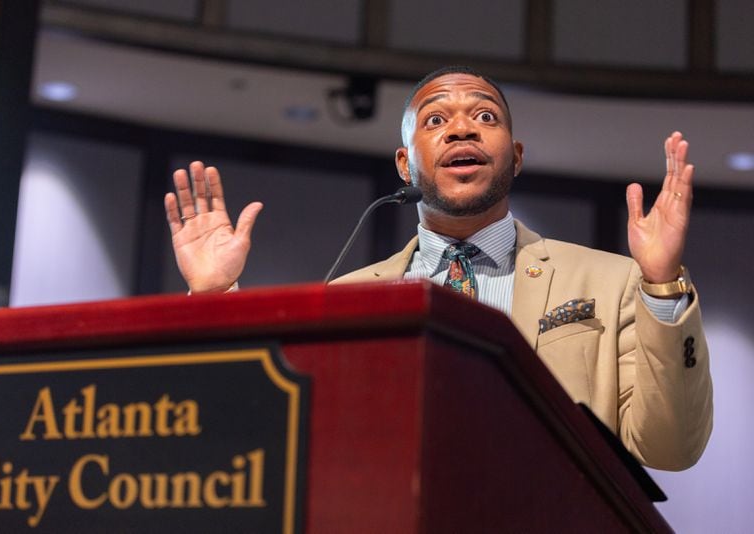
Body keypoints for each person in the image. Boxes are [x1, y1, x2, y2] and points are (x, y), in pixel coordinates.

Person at [164, 66, 712, 471]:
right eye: (435, 120)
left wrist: (661, 286)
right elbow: (267, 442)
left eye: (484, 116)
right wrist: (214, 298)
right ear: (406, 163)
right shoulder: (349, 297)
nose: (461, 130)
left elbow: (670, 449)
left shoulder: (611, 282)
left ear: (515, 156)